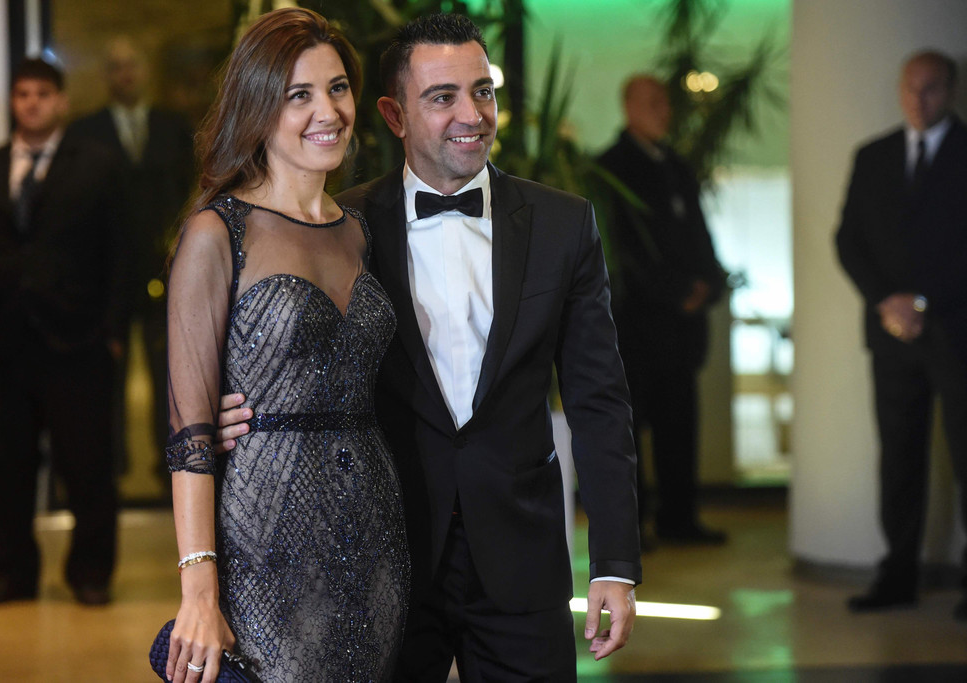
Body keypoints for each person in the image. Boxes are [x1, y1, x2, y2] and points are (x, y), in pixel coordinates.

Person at [218, 13, 641, 680]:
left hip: (522, 558)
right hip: (382, 554)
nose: (472, 115)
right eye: (443, 97)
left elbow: (599, 400)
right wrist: (237, 412)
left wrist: (614, 562)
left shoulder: (564, 223)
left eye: (483, 91)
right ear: (394, 115)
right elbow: (287, 355)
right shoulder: (342, 227)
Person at [162, 9, 409, 682]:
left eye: (337, 87)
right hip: (266, 542)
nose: (327, 111)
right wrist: (198, 588)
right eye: (299, 94)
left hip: (376, 532)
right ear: (259, 107)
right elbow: (189, 439)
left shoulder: (360, 231)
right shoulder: (218, 233)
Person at [0, 58, 130, 607]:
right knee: (4, 468)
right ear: (13, 102)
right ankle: (12, 574)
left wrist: (112, 330)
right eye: (23, 94)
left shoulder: (99, 165)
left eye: (43, 94)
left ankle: (90, 573)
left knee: (88, 465)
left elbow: (120, 252)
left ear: (61, 101)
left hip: (77, 340)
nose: (32, 103)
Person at [836, 50, 967, 620]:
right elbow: (848, 239)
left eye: (931, 88)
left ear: (951, 91)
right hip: (890, 334)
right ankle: (897, 576)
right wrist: (886, 300)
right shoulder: (874, 155)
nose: (918, 99)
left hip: (957, 332)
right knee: (898, 457)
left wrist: (922, 301)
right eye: (910, 87)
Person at [596, 75, 727, 546]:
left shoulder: (676, 165)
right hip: (637, 324)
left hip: (682, 326)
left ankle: (679, 519)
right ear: (629, 106)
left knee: (679, 424)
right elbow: (621, 250)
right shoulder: (609, 169)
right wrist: (675, 291)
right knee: (629, 430)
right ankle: (630, 530)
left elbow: (699, 234)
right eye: (653, 102)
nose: (664, 111)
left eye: (665, 102)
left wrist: (710, 283)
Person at [67, 36, 194, 480]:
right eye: (116, 66)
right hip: (107, 276)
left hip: (165, 270)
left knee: (168, 375)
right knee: (108, 378)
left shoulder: (173, 127)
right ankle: (110, 468)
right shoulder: (85, 132)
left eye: (131, 64)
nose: (125, 74)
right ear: (106, 75)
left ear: (145, 70)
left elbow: (189, 193)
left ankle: (168, 470)